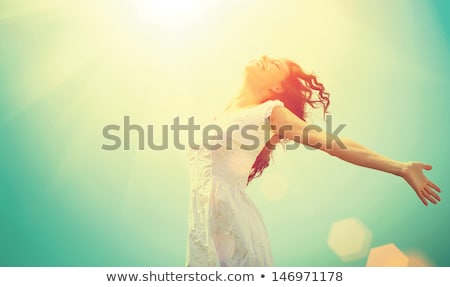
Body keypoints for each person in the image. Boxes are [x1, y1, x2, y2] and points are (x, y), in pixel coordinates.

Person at [184, 55, 442, 267]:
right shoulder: (220, 117)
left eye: (275, 65)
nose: (265, 58)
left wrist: (400, 167)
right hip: (202, 233)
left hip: (234, 232)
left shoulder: (270, 112)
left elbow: (334, 143)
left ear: (276, 88)